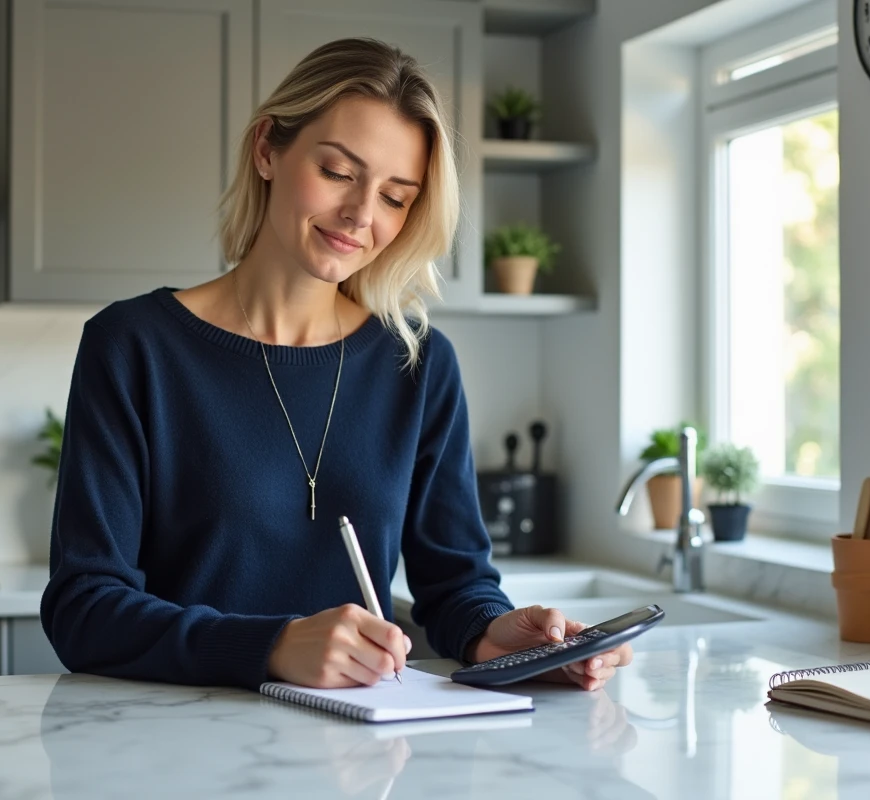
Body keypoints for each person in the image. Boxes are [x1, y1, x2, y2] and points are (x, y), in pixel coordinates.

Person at [40, 37, 632, 691]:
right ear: (268, 148)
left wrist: (502, 636)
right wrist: (270, 646)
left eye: (395, 197)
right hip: (173, 750)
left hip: (359, 759)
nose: (361, 214)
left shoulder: (419, 364)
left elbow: (455, 585)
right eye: (338, 172)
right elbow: (83, 610)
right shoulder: (134, 347)